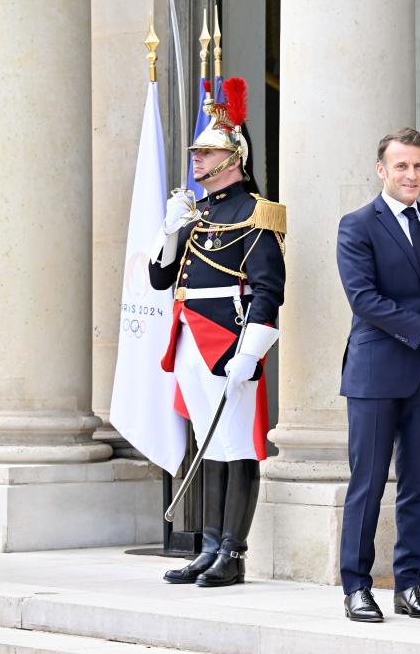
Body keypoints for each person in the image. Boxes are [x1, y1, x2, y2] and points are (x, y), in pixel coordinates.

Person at [150, 77, 286, 588]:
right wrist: (170, 231)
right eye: (196, 153)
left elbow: (268, 289)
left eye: (206, 153)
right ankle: (208, 547)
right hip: (188, 335)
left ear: (234, 158)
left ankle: (233, 553)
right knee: (209, 444)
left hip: (230, 340)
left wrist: (250, 352)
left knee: (237, 444)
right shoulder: (198, 211)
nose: (197, 160)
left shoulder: (256, 211)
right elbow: (161, 278)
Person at [336, 128, 420, 623]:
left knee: (419, 486)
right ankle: (356, 587)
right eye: (402, 166)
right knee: (367, 483)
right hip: (375, 373)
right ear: (381, 170)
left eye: (419, 166)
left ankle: (409, 584)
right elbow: (363, 299)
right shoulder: (357, 225)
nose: (412, 175)